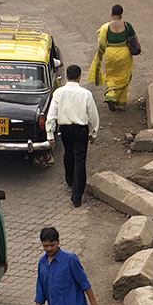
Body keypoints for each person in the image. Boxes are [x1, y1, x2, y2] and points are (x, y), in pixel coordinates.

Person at [45, 64, 100, 208]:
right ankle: (77, 196)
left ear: (67, 77)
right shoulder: (86, 94)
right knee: (80, 160)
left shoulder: (58, 92)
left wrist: (50, 133)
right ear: (80, 76)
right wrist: (93, 132)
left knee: (68, 153)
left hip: (65, 130)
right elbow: (93, 115)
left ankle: (70, 180)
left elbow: (51, 114)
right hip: (81, 130)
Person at [90, 4, 136, 111]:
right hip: (125, 54)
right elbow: (134, 38)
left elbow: (101, 44)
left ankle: (111, 94)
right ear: (121, 14)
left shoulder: (105, 27)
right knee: (124, 76)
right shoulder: (127, 25)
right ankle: (120, 103)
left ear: (111, 14)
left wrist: (100, 55)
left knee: (111, 77)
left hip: (110, 55)